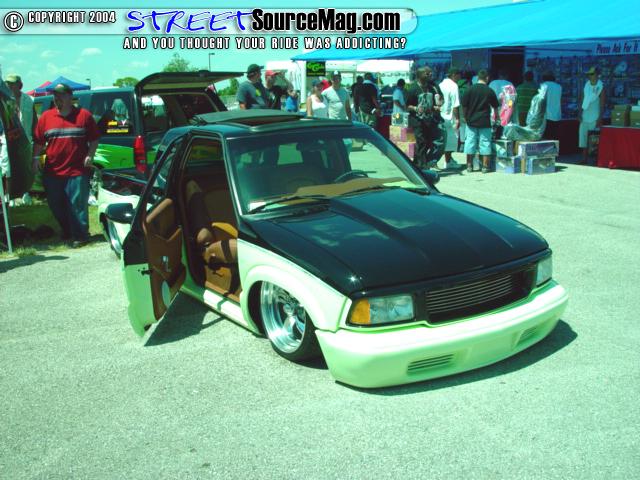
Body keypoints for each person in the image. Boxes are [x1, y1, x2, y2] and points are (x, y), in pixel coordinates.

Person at [32, 83, 100, 247]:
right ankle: (68, 230)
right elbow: (39, 141)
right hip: (53, 171)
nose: (57, 98)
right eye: (55, 95)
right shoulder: (46, 117)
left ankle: (81, 235)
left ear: (70, 96)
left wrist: (90, 155)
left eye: (61, 95)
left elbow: (94, 138)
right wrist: (35, 158)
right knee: (56, 204)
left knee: (77, 205)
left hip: (77, 170)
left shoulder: (84, 116)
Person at [405, 66, 446, 169]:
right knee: (420, 142)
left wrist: (438, 104)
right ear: (420, 75)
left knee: (430, 142)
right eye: (428, 73)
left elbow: (440, 99)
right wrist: (415, 108)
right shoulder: (413, 89)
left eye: (431, 73)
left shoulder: (433, 86)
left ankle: (421, 163)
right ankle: (422, 166)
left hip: (430, 120)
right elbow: (406, 106)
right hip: (416, 121)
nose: (430, 75)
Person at [460, 69, 499, 174]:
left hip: (471, 121)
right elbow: (495, 107)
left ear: (477, 78)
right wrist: (497, 117)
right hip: (484, 121)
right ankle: (485, 167)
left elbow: (464, 105)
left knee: (470, 142)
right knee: (485, 143)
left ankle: (469, 166)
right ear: (487, 78)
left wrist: (465, 117)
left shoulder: (470, 89)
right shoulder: (489, 90)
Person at [5, 74, 36, 205]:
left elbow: (34, 121)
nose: (9, 86)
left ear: (19, 84)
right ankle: (10, 196)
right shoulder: (4, 100)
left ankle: (25, 193)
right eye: (8, 83)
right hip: (10, 140)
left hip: (26, 140)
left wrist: (36, 138)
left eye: (12, 83)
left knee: (26, 168)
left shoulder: (29, 100)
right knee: (10, 168)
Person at [578, 67, 605, 165]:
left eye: (592, 74)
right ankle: (584, 159)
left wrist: (600, 118)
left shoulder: (601, 87)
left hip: (595, 117)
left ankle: (596, 160)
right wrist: (579, 113)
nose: (590, 76)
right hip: (585, 116)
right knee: (583, 138)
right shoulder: (586, 86)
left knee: (594, 140)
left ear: (597, 75)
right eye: (589, 74)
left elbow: (602, 104)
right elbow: (581, 100)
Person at [439, 67, 462, 169]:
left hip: (441, 115)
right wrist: (457, 119)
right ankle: (448, 162)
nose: (459, 78)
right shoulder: (454, 86)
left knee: (444, 139)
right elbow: (456, 105)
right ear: (454, 75)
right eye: (459, 75)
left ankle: (448, 159)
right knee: (451, 140)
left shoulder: (441, 84)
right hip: (450, 116)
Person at [541, 71, 562, 140]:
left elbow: (541, 101)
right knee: (555, 138)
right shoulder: (559, 87)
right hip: (557, 116)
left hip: (546, 116)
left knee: (546, 138)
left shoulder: (543, 85)